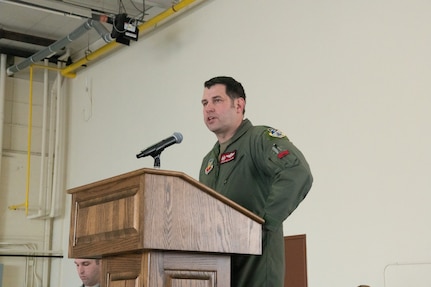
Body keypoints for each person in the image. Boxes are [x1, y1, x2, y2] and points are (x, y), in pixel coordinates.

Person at [199, 76, 313, 287]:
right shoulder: (209, 161)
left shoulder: (258, 139)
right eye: (205, 103)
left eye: (217, 100)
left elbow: (297, 172)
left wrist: (262, 225)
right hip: (220, 271)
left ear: (239, 104)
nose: (208, 108)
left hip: (256, 270)